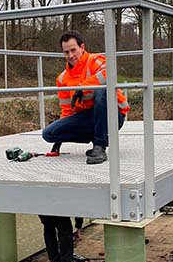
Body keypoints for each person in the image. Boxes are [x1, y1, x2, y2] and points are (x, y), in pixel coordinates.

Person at [42, 30, 129, 164]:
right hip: (87, 118)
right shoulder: (62, 78)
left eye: (73, 50)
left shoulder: (94, 60)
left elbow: (109, 73)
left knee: (101, 90)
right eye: (66, 52)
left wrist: (82, 86)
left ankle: (99, 146)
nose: (70, 55)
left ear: (82, 47)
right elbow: (67, 110)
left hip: (113, 116)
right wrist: (58, 141)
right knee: (48, 134)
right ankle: (97, 136)